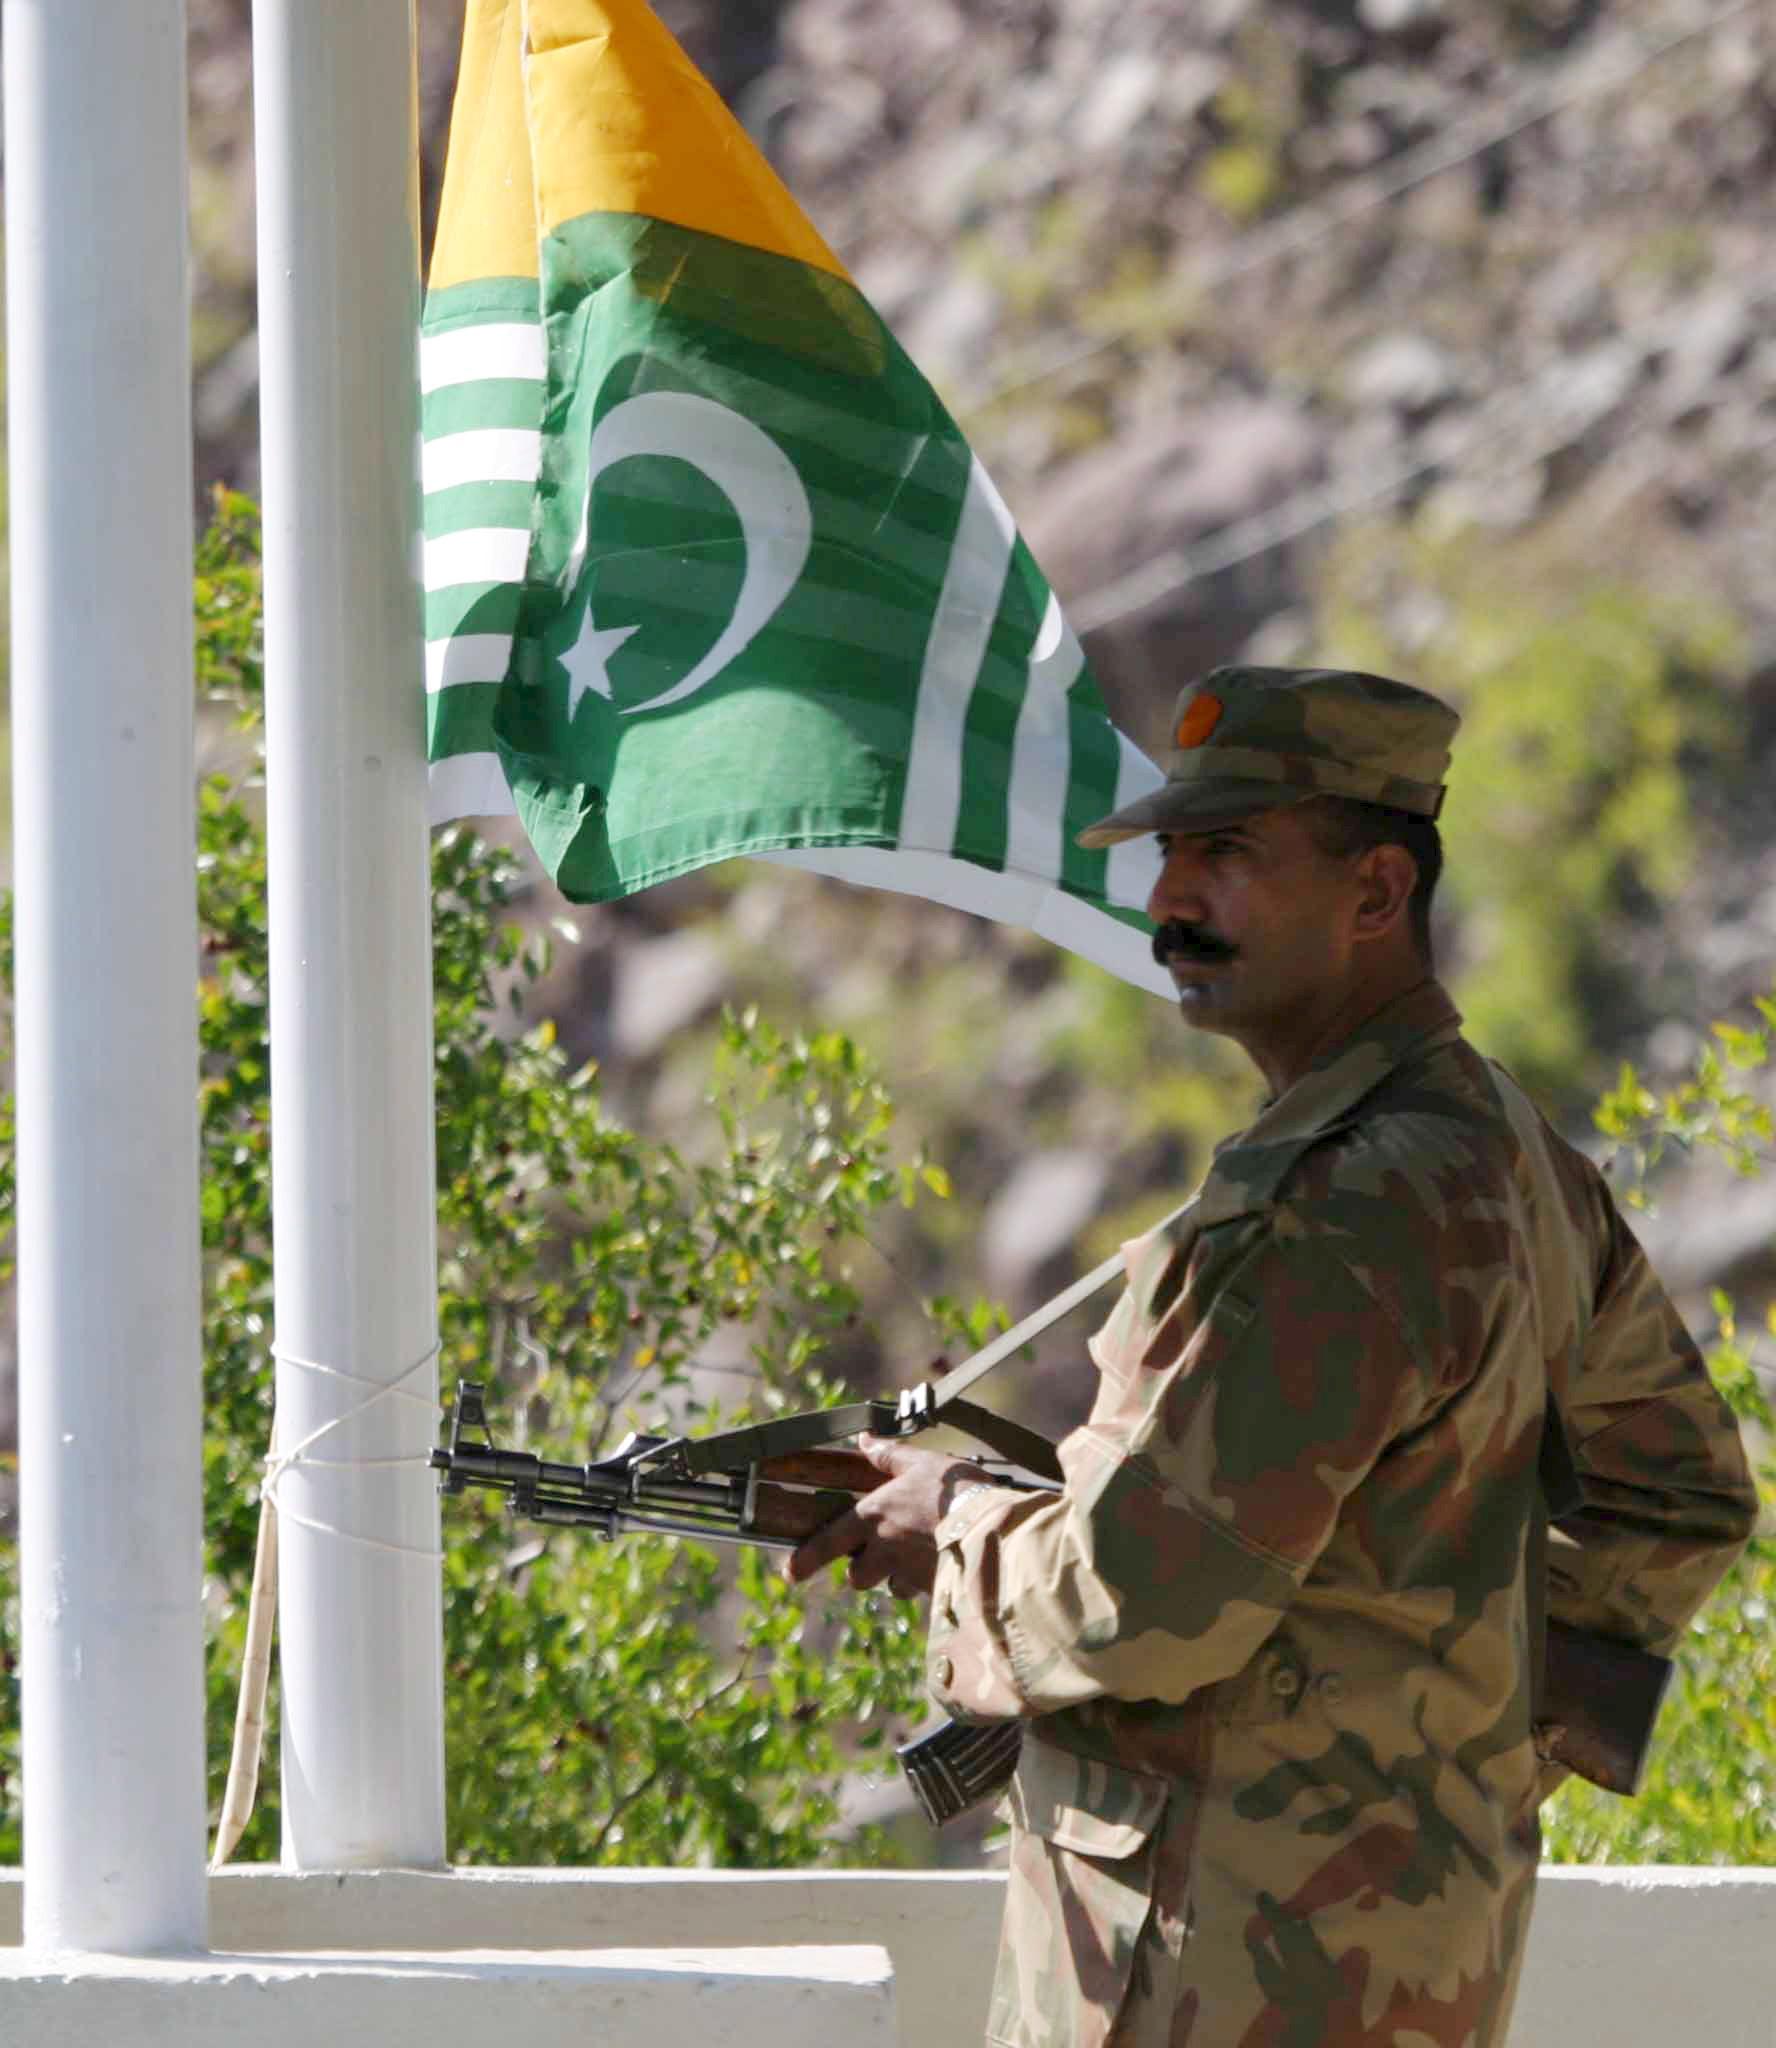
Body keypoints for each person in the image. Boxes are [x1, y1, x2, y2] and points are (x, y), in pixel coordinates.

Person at [784, 665, 1759, 2048]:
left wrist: (957, 1527)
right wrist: (1450, 1751)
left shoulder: (1350, 1197)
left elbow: (1143, 1598)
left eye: (1227, 856)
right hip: (1391, 1953)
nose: (1171, 901)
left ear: (1374, 895)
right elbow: (1681, 1498)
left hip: (1229, 1975)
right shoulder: (1509, 1153)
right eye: (1172, 855)